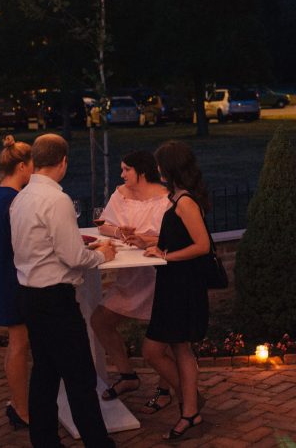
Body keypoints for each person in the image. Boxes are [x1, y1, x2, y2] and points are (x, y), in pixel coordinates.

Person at [10, 133, 117, 448]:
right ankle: (98, 443)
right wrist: (102, 255)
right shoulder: (56, 200)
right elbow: (74, 257)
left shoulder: (21, 197)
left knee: (45, 372)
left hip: (29, 295)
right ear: (63, 162)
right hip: (55, 299)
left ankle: (43, 440)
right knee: (80, 377)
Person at [90, 151, 172, 411]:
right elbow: (103, 225)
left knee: (165, 337)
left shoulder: (166, 199)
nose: (122, 174)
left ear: (142, 172)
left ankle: (165, 389)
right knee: (99, 321)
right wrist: (118, 231)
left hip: (159, 276)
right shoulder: (121, 194)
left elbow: (173, 237)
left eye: (126, 170)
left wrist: (146, 240)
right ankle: (128, 376)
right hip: (129, 275)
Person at [142, 141, 212, 442]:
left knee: (156, 349)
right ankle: (192, 408)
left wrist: (166, 256)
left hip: (183, 286)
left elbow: (202, 245)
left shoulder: (185, 202)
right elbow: (181, 238)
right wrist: (156, 246)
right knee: (175, 348)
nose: (157, 171)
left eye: (159, 165)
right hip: (172, 283)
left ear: (171, 167)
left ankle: (191, 407)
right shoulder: (178, 198)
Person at [0, 135, 33, 431]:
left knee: (17, 343)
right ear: (21, 166)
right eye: (31, 165)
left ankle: (19, 402)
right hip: (14, 279)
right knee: (19, 343)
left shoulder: (3, 195)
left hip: (5, 276)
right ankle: (22, 410)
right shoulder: (14, 200)